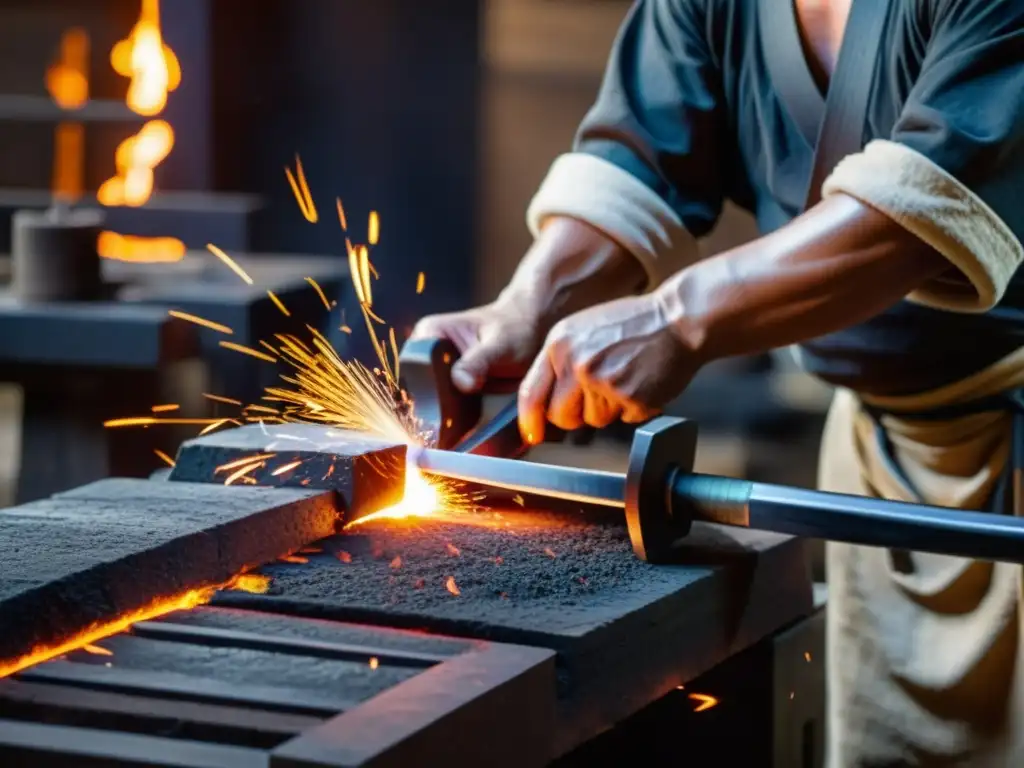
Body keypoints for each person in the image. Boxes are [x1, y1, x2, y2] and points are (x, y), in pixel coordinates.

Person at [411, 0, 1024, 764]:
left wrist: (675, 321)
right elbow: (637, 166)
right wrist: (525, 309)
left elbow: (914, 222)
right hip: (878, 462)